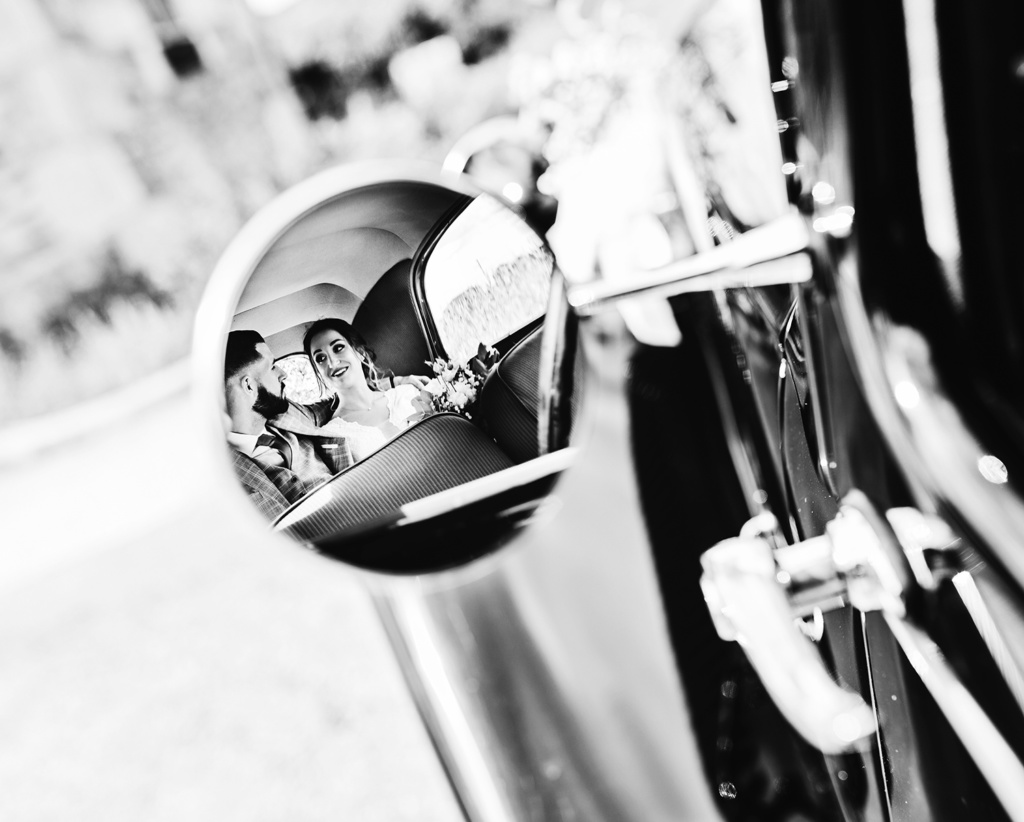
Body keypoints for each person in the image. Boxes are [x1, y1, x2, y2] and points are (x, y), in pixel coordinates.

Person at [224, 329, 353, 520]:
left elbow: (331, 406)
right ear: (249, 386)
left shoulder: (288, 412)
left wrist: (389, 383)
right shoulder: (224, 477)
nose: (283, 374)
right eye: (273, 366)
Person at [302, 318, 432, 461]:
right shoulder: (333, 435)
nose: (332, 363)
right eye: (321, 358)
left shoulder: (406, 393)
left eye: (338, 348)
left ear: (359, 352)